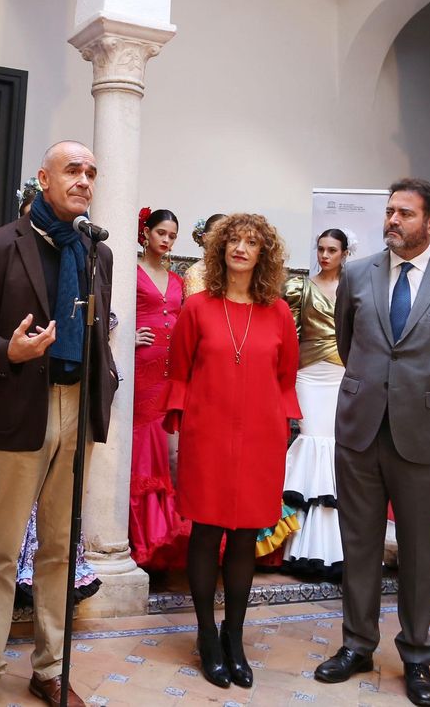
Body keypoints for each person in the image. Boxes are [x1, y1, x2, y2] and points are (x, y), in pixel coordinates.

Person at [315, 178, 430, 707]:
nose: (393, 221)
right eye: (389, 212)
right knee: (360, 544)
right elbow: (349, 343)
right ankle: (357, 645)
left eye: (405, 214)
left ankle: (416, 656)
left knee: (418, 551)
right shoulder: (357, 273)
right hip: (361, 429)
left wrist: (422, 398)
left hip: (423, 433)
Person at [0, 140, 116, 707]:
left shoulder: (98, 253)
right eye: (74, 170)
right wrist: (11, 352)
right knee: (1, 549)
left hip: (78, 408)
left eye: (92, 172)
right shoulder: (0, 246)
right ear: (43, 178)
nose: (84, 180)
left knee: (59, 549)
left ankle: (49, 667)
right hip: (23, 405)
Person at [164, 213, 301, 690]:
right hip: (208, 433)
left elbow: (287, 379)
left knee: (246, 537)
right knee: (206, 532)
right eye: (234, 241)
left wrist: (284, 430)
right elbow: (179, 371)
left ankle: (234, 637)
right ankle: (205, 634)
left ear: (264, 255)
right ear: (220, 250)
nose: (241, 248)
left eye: (251, 242)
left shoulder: (280, 312)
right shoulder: (198, 307)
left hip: (263, 436)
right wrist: (181, 425)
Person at [281, 228, 351, 580]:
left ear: (344, 254)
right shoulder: (299, 287)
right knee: (313, 443)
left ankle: (331, 551)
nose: (324, 256)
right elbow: (290, 336)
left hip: (343, 376)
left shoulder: (355, 290)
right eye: (321, 249)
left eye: (332, 250)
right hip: (308, 376)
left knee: (333, 448)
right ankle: (302, 548)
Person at [129, 208, 189, 571]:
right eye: (161, 233)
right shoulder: (130, 272)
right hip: (140, 371)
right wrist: (128, 339)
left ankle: (165, 534)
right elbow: (114, 312)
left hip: (170, 370)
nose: (166, 241)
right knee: (143, 450)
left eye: (172, 236)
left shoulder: (177, 279)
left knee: (171, 452)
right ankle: (142, 538)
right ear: (146, 233)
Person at [183, 213, 227, 296]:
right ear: (204, 237)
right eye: (218, 233)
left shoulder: (234, 271)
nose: (223, 239)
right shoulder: (194, 273)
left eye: (227, 235)